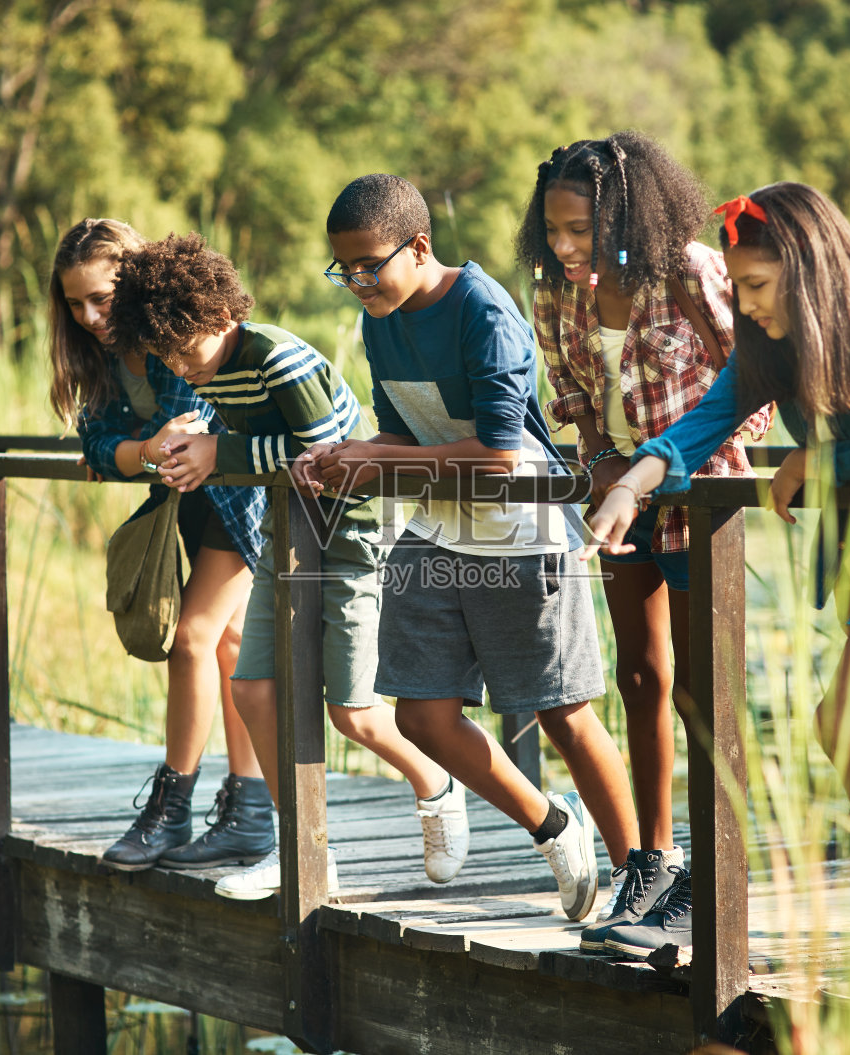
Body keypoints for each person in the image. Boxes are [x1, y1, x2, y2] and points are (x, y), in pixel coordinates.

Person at [585, 182, 850, 1035]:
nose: (744, 303)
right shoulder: (774, 345)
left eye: (759, 287)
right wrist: (632, 483)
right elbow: (703, 424)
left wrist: (811, 464)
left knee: (842, 726)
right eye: (737, 287)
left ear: (807, 273)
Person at [309, 174, 639, 923]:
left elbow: (498, 453)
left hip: (522, 526)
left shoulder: (482, 311)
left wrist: (381, 462)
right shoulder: (381, 318)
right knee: (420, 715)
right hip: (436, 525)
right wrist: (346, 450)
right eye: (344, 269)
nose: (357, 282)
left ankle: (641, 877)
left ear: (418, 246)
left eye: (369, 265)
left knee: (562, 712)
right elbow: (402, 432)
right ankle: (552, 825)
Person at [106, 231, 466, 899]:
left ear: (220, 315)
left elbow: (326, 460)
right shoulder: (212, 371)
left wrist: (220, 454)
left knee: (352, 711)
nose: (181, 368)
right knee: (252, 689)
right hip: (286, 532)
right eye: (166, 357)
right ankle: (305, 849)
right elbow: (245, 446)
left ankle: (435, 784)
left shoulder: (277, 358)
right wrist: (195, 447)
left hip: (353, 529)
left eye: (185, 351)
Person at [515, 132, 773, 953]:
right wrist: (603, 465)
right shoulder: (558, 293)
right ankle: (650, 866)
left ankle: (711, 871)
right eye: (553, 230)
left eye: (581, 230)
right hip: (616, 502)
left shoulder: (692, 272)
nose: (565, 246)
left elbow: (756, 384)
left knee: (701, 689)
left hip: (699, 501)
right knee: (639, 675)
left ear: (626, 214)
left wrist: (679, 466)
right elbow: (573, 399)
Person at [47, 218, 276, 874]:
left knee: (194, 639)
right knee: (230, 645)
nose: (91, 315)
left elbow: (183, 429)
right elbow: (98, 441)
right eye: (76, 303)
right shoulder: (99, 355)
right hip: (189, 500)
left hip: (238, 493)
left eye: (102, 297)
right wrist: (138, 450)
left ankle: (171, 807)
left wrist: (139, 450)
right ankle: (251, 812)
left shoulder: (164, 329)